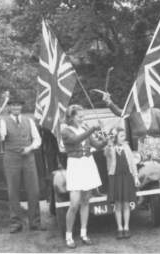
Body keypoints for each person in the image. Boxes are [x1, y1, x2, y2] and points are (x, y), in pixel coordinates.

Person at [102, 93, 160, 215]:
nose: (144, 102)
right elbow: (120, 112)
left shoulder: (157, 112)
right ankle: (146, 200)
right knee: (145, 174)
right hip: (143, 149)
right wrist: (109, 102)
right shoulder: (133, 113)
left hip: (158, 147)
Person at [0, 96, 44, 233]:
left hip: (29, 158)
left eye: (18, 105)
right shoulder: (3, 121)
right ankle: (16, 223)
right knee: (13, 191)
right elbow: (0, 138)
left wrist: (30, 148)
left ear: (21, 107)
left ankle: (35, 222)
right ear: (9, 107)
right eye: (13, 105)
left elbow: (37, 139)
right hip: (11, 159)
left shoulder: (29, 120)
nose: (16, 108)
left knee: (34, 190)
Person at [61, 104, 106, 248]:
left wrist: (107, 139)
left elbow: (97, 145)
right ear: (71, 117)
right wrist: (93, 129)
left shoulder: (85, 128)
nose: (82, 119)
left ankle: (83, 233)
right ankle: (68, 236)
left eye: (83, 116)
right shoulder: (65, 130)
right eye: (80, 117)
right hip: (75, 165)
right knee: (74, 204)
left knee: (86, 200)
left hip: (88, 164)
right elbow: (75, 140)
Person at [104, 127, 140, 239]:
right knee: (118, 205)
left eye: (124, 136)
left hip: (126, 178)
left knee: (126, 203)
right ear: (115, 138)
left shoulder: (127, 147)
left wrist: (136, 177)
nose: (123, 138)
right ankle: (119, 228)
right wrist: (109, 143)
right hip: (116, 178)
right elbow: (107, 154)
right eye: (121, 136)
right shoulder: (110, 148)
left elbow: (132, 164)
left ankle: (126, 227)